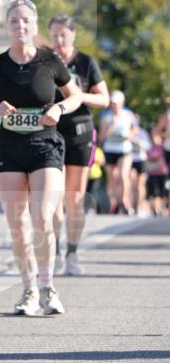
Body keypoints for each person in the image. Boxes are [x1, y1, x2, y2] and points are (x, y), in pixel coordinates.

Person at [0, 0, 82, 317]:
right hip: (8, 147)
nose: (20, 27)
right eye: (13, 21)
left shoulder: (50, 61)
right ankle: (29, 289)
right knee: (17, 224)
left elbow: (74, 96)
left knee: (42, 218)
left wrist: (58, 108)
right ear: (6, 27)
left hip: (45, 145)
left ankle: (48, 286)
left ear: (35, 27)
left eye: (26, 21)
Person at [48, 14, 109, 275]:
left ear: (73, 35)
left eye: (63, 35)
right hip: (50, 132)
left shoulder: (85, 62)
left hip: (80, 132)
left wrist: (78, 96)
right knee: (54, 197)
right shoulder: (45, 61)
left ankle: (72, 253)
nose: (59, 40)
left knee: (75, 198)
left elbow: (104, 99)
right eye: (54, 35)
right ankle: (56, 252)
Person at [99, 90, 137, 214]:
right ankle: (113, 203)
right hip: (110, 149)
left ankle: (124, 201)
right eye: (112, 103)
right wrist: (109, 129)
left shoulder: (128, 115)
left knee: (123, 176)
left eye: (116, 103)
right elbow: (101, 137)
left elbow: (135, 130)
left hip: (124, 149)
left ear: (122, 103)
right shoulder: (106, 117)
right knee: (112, 178)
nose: (114, 106)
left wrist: (130, 135)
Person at [145, 132, 169, 217]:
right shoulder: (150, 148)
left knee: (164, 192)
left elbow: (163, 160)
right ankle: (156, 209)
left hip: (163, 174)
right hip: (153, 174)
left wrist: (155, 161)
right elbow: (147, 161)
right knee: (155, 193)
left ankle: (164, 208)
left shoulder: (164, 148)